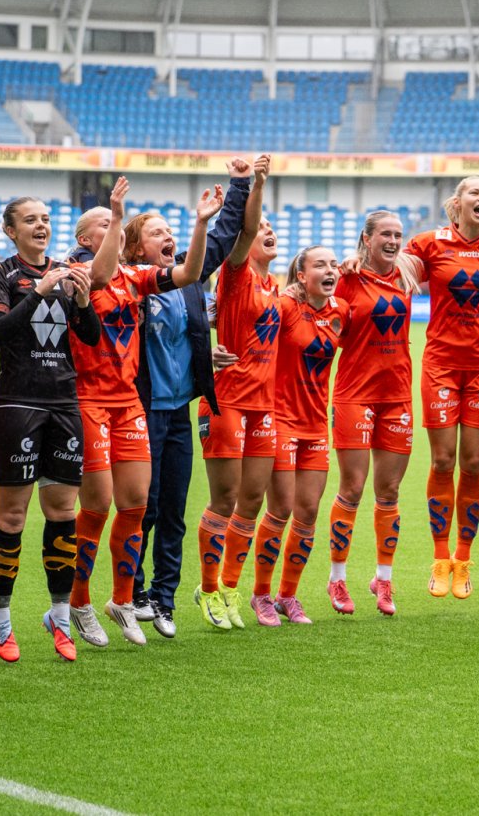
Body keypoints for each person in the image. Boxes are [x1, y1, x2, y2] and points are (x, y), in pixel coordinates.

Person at [65, 177, 220, 647]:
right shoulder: (74, 273)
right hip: (89, 402)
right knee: (96, 506)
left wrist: (200, 224)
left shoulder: (135, 279)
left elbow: (188, 275)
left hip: (129, 404)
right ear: (86, 238)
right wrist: (116, 213)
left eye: (113, 222)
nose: (111, 225)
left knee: (135, 506)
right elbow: (99, 276)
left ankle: (122, 601)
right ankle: (78, 602)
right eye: (103, 223)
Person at [127, 159, 255, 639]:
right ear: (137, 247)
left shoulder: (188, 278)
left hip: (179, 411)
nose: (168, 236)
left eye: (169, 230)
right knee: (144, 508)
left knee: (174, 512)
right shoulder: (130, 284)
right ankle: (132, 592)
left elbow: (221, 238)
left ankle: (164, 599)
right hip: (142, 412)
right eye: (156, 232)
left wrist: (240, 185)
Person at [0, 195, 99, 661]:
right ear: (11, 231)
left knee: (63, 513)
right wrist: (40, 292)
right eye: (30, 220)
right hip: (16, 403)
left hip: (64, 402)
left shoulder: (68, 273)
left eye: (45, 219)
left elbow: (90, 338)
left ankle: (60, 616)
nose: (41, 226)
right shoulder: (0, 274)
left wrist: (83, 302)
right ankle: (0, 618)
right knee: (11, 516)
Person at [399, 176, 479, 599]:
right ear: (458, 202)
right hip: (441, 367)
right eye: (475, 193)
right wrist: (361, 260)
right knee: (443, 460)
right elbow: (393, 263)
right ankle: (440, 557)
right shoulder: (430, 242)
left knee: (473, 463)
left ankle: (463, 560)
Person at [193, 157, 274, 630]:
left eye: (272, 227)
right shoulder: (236, 273)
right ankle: (206, 590)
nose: (268, 230)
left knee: (252, 500)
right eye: (262, 226)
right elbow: (243, 231)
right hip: (227, 399)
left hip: (264, 406)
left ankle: (228, 586)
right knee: (224, 499)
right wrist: (257, 185)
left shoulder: (275, 286)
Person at [248, 246, 348, 626]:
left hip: (316, 424)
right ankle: (260, 594)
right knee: (281, 509)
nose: (330, 270)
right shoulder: (286, 306)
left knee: (307, 513)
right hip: (281, 420)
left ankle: (287, 596)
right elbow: (251, 324)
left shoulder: (340, 311)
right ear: (301, 276)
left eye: (334, 264)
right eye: (320, 265)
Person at [328, 211, 418, 617]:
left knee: (390, 491)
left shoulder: (407, 273)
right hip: (354, 395)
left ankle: (383, 579)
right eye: (385, 234)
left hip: (397, 396)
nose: (393, 240)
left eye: (398, 234)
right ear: (367, 239)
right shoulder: (346, 279)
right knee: (352, 488)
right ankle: (337, 578)